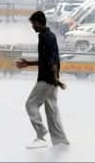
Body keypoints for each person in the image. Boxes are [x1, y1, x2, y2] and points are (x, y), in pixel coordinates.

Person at [16, 11, 69, 150]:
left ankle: (41, 134)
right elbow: (47, 59)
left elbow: (51, 59)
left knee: (30, 104)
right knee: (52, 111)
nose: (32, 27)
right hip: (51, 78)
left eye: (33, 24)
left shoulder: (45, 37)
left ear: (39, 22)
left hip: (46, 79)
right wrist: (28, 63)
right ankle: (61, 141)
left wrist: (54, 78)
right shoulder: (50, 35)